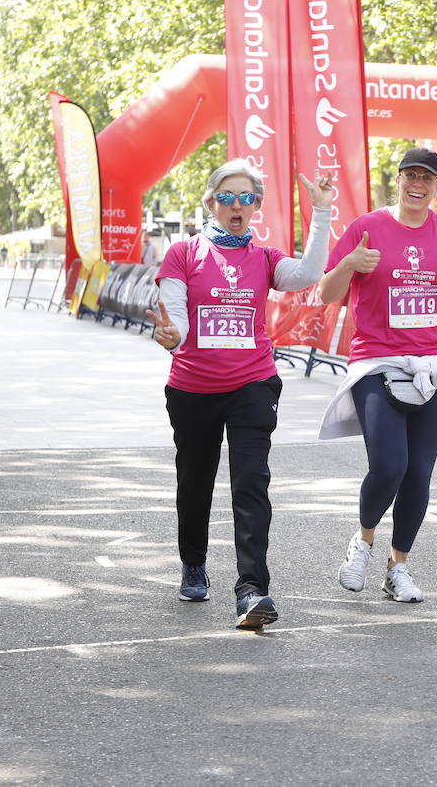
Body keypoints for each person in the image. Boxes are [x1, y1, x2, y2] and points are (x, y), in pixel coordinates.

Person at [147, 160, 334, 630]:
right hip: (193, 388)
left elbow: (310, 272)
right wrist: (172, 335)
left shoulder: (266, 258)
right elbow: (177, 318)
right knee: (196, 482)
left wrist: (323, 212)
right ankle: (193, 560)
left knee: (251, 483)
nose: (236, 205)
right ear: (210, 201)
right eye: (227, 196)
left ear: (256, 206)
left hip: (252, 383)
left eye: (246, 197)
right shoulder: (183, 255)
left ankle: (252, 590)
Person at [318, 147, 437, 603]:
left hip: (434, 366)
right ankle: (363, 541)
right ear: (397, 180)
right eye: (410, 175)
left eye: (428, 179)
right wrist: (347, 266)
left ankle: (399, 567)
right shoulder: (367, 228)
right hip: (376, 363)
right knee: (390, 464)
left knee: (418, 472)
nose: (418, 184)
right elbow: (325, 292)